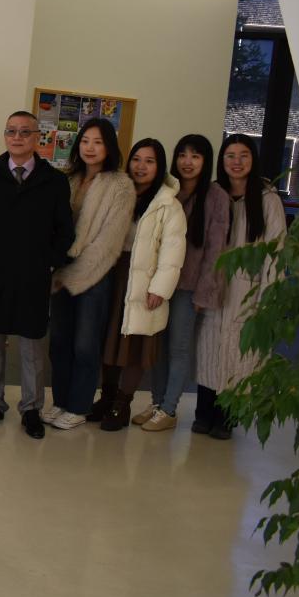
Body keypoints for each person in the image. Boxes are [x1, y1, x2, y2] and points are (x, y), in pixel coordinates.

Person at [0, 111, 73, 439]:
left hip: (32, 275)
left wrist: (49, 262)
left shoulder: (54, 181)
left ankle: (31, 409)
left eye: (25, 132)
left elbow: (65, 231)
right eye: (11, 131)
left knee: (31, 346)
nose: (17, 137)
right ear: (5, 136)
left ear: (37, 138)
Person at [132, 135, 229, 432]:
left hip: (188, 288)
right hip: (158, 284)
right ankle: (157, 403)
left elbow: (216, 251)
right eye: (183, 155)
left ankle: (170, 409)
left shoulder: (215, 196)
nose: (188, 162)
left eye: (196, 156)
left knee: (178, 348)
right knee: (157, 347)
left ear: (206, 162)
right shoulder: (167, 190)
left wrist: (204, 293)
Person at [45, 117, 135, 430]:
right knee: (59, 343)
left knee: (85, 345)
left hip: (95, 277)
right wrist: (57, 268)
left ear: (109, 147)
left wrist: (74, 273)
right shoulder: (67, 179)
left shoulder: (121, 185)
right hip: (60, 274)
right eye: (85, 141)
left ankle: (79, 406)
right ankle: (60, 402)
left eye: (98, 142)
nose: (90, 148)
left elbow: (108, 243)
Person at [195, 134, 286, 439]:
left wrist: (267, 298)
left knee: (240, 352)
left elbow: (276, 252)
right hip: (214, 284)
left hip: (249, 288)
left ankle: (227, 416)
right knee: (208, 347)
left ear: (253, 159)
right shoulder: (213, 193)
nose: (236, 162)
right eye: (230, 155)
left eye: (243, 155)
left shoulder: (267, 199)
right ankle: (203, 412)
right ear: (221, 160)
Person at [92, 138, 187, 431]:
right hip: (113, 275)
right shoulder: (118, 194)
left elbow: (173, 251)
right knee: (109, 341)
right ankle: (107, 397)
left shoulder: (168, 204)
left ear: (159, 167)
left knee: (135, 346)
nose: (141, 166)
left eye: (149, 161)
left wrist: (160, 288)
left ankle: (122, 403)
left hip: (144, 281)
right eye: (136, 159)